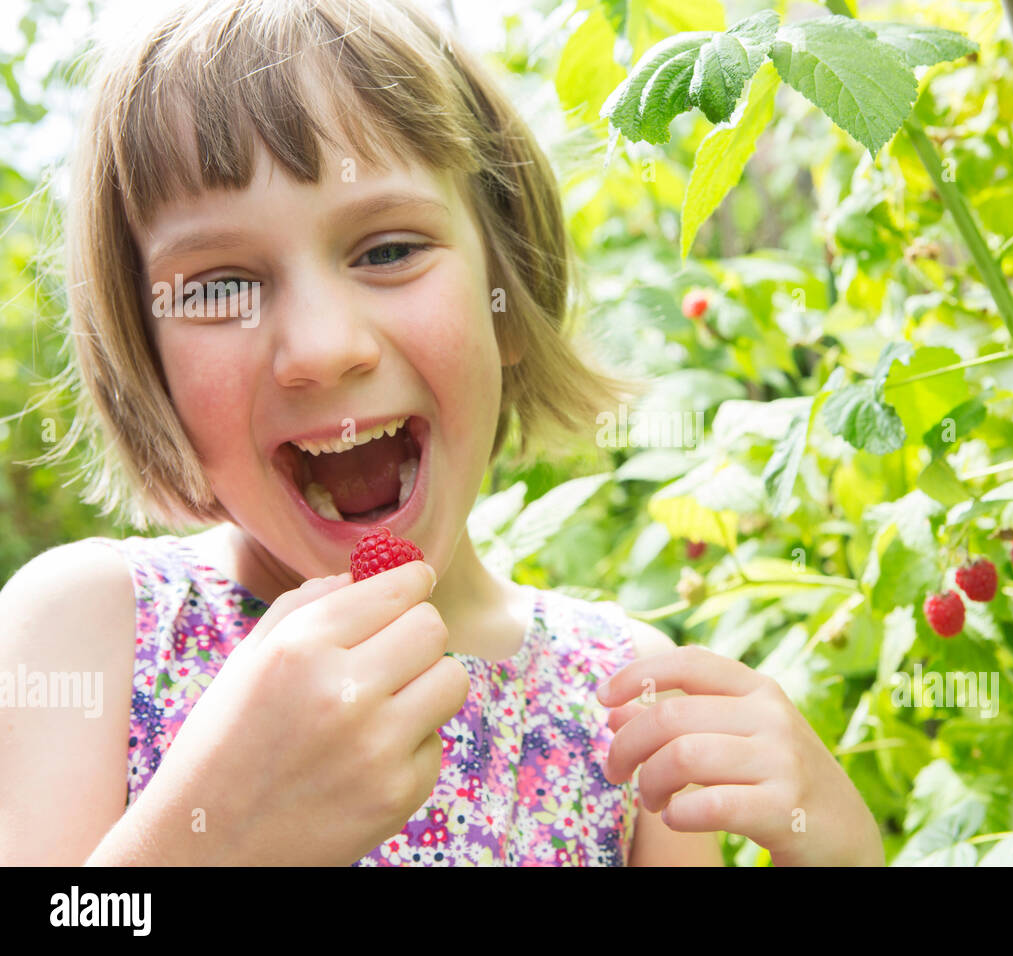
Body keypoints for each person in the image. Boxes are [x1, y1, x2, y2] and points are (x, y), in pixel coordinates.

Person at [0, 0, 883, 867]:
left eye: (387, 251)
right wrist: (216, 841)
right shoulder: (89, 632)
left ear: (509, 295)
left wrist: (840, 856)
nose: (323, 350)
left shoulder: (624, 699)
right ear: (147, 358)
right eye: (220, 288)